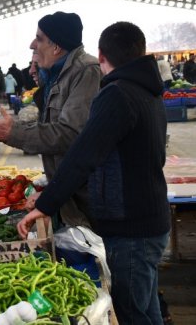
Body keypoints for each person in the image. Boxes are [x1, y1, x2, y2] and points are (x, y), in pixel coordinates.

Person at [17, 22, 170, 324]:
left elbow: (83, 154)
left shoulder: (117, 94)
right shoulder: (148, 92)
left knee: (132, 311)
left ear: (101, 56)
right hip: (149, 220)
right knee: (145, 306)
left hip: (131, 229)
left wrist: (46, 204)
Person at [0, 11, 101, 228]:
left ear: (57, 47)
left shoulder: (85, 71)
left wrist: (10, 132)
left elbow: (71, 134)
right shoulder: (59, 75)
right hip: (70, 196)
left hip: (87, 201)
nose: (32, 45)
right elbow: (50, 127)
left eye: (39, 38)